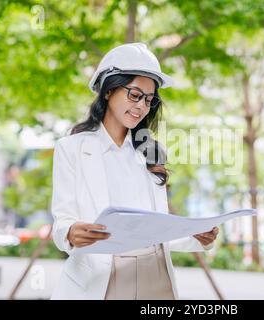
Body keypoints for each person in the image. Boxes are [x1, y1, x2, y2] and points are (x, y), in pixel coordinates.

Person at [51, 43, 219, 300]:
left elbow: (155, 229)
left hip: (156, 274)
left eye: (149, 100)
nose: (142, 106)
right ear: (109, 91)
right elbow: (62, 221)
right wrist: (71, 232)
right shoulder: (71, 149)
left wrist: (197, 236)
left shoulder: (151, 155)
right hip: (100, 278)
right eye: (134, 95)